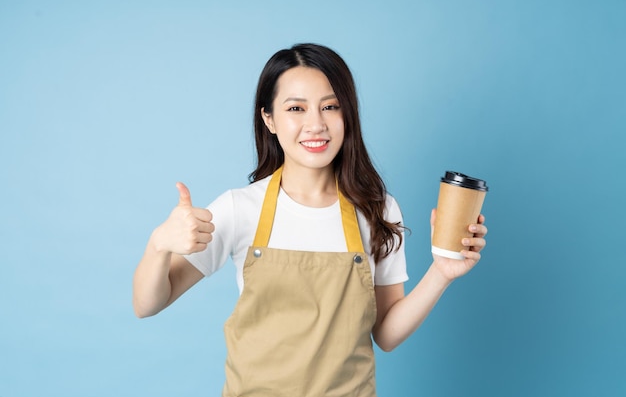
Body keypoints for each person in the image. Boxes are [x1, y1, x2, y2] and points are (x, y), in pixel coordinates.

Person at [132, 43, 488, 396]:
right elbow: (147, 304)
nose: (315, 124)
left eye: (330, 106)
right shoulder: (240, 208)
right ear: (268, 119)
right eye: (296, 108)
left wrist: (441, 273)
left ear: (348, 114)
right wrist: (158, 245)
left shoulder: (377, 210)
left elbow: (386, 335)